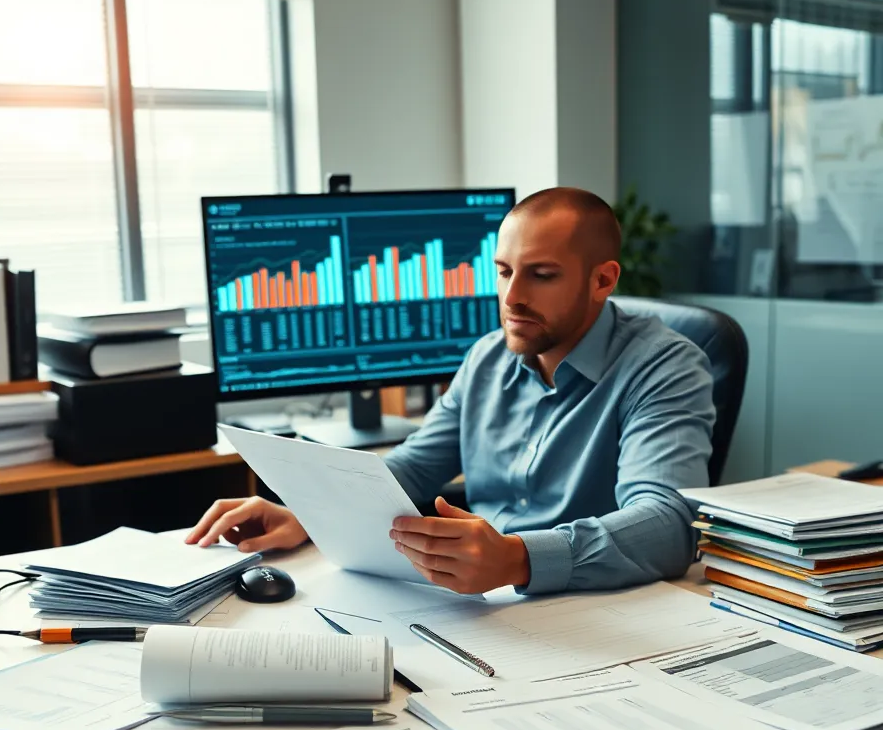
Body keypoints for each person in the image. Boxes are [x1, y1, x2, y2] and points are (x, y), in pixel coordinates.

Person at [187, 187, 715, 596]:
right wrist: (308, 512)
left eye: (542, 275)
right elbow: (414, 466)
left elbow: (671, 523)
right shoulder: (488, 356)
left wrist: (518, 558)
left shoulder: (665, 366)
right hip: (481, 606)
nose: (513, 297)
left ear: (603, 280)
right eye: (504, 272)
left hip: (588, 612)